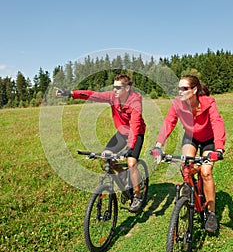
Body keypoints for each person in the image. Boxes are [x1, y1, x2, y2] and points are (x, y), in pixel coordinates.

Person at [55, 74, 146, 213]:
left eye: (118, 87)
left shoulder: (135, 101)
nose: (114, 90)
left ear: (127, 88)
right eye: (113, 87)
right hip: (122, 132)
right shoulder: (112, 97)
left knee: (132, 163)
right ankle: (124, 177)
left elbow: (135, 125)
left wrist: (130, 147)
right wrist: (70, 93)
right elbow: (93, 95)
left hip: (136, 133)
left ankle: (138, 196)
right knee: (106, 157)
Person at [152, 75, 226, 233]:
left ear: (194, 90)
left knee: (206, 172)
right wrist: (158, 145)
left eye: (184, 88)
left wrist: (219, 148)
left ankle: (211, 213)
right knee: (186, 164)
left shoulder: (208, 102)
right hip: (190, 137)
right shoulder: (177, 104)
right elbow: (169, 122)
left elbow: (216, 122)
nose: (180, 92)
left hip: (209, 140)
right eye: (178, 88)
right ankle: (189, 188)